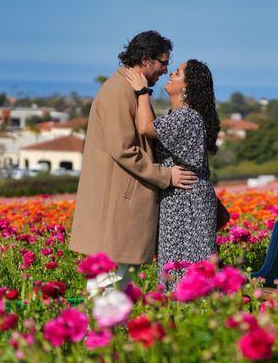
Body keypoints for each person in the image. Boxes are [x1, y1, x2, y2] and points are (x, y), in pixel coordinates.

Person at [69, 31, 198, 297]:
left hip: (121, 202)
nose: (165, 69)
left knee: (117, 281)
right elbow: (124, 149)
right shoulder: (118, 92)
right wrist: (165, 176)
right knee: (109, 280)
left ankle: (110, 333)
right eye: (163, 63)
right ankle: (102, 334)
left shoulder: (129, 90)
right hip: (117, 205)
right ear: (146, 59)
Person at [123, 59, 220, 286]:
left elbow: (146, 127)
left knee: (186, 267)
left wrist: (142, 91)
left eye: (176, 73)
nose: (171, 75)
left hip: (188, 201)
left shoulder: (187, 116)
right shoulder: (179, 115)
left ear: (187, 86)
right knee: (178, 265)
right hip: (180, 197)